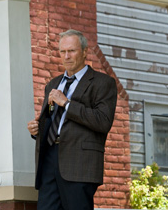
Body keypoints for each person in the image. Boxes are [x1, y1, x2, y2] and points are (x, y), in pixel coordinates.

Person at [27, 29, 117, 210]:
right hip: (49, 161)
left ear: (84, 52)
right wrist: (37, 129)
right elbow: (54, 121)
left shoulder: (102, 82)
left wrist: (67, 103)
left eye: (72, 51)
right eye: (63, 51)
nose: (67, 56)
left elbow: (103, 121)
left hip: (79, 164)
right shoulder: (53, 84)